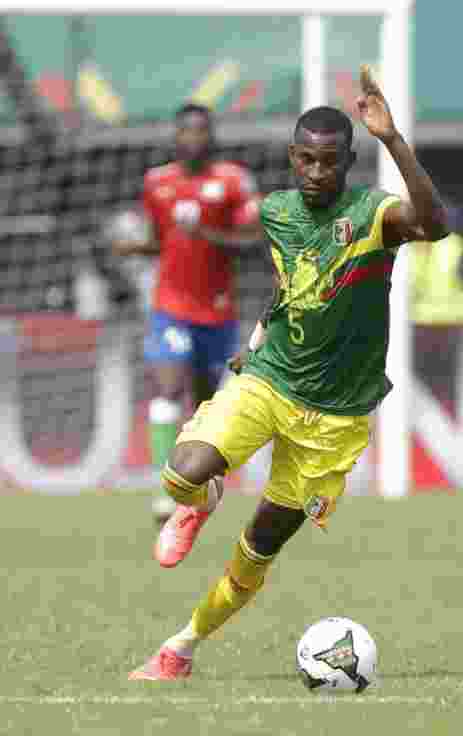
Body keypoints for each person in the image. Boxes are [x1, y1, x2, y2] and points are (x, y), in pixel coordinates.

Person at [129, 66, 449, 680]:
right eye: (306, 160)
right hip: (271, 379)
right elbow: (289, 284)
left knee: (257, 549)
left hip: (334, 418)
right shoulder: (276, 212)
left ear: (348, 161)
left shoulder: (375, 214)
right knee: (180, 475)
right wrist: (255, 340)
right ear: (292, 158)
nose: (317, 173)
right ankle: (203, 498)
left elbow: (434, 226)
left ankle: (181, 647)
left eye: (329, 162)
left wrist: (393, 139)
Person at [111, 104, 263, 526]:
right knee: (166, 389)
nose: (192, 138)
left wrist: (206, 234)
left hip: (217, 311)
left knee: (202, 407)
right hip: (170, 306)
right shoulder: (156, 183)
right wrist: (134, 248)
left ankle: (192, 488)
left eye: (200, 131)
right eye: (185, 131)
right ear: (175, 136)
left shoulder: (233, 181)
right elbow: (162, 242)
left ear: (211, 136)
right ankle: (164, 488)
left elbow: (253, 240)